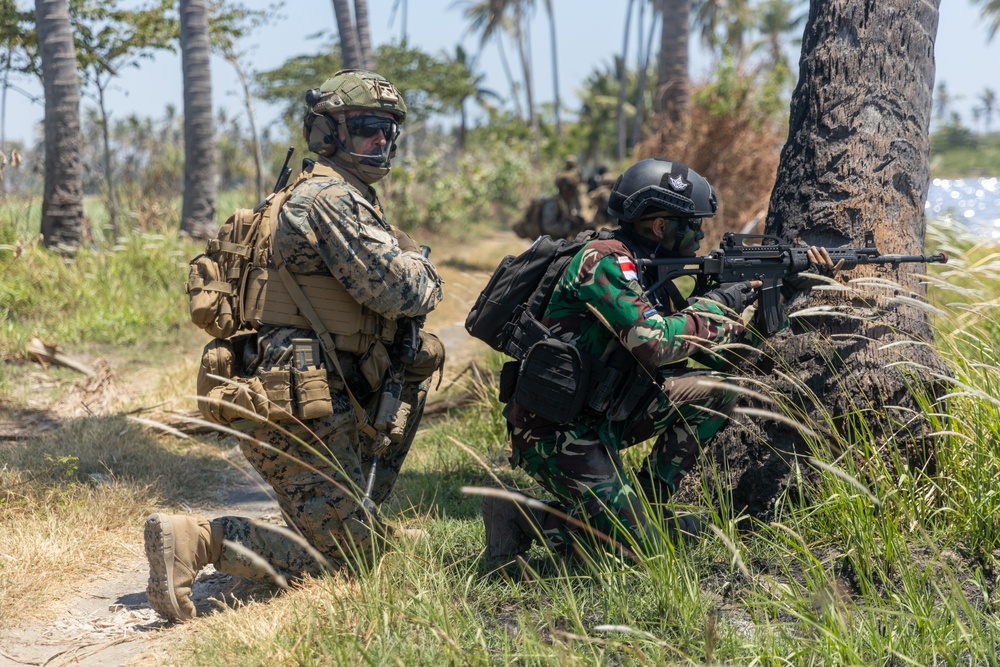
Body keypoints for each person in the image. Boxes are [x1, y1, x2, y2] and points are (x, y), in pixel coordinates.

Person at [145, 69, 445, 621]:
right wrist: (424, 267)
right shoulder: (328, 197)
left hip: (319, 384)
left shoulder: (331, 194)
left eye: (388, 130)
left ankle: (347, 527)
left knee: (351, 531)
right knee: (352, 562)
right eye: (366, 129)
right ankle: (198, 540)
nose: (381, 141)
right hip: (304, 389)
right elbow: (404, 288)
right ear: (328, 132)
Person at [482, 157, 836, 562]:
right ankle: (520, 515)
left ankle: (647, 505)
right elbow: (654, 345)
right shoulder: (603, 262)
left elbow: (724, 362)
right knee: (642, 550)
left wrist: (779, 292)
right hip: (555, 431)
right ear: (659, 226)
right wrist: (718, 304)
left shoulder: (650, 275)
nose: (702, 233)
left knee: (718, 392)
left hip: (605, 416)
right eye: (693, 224)